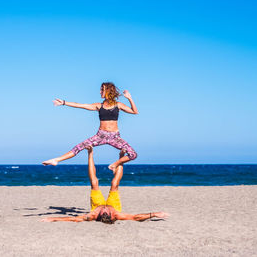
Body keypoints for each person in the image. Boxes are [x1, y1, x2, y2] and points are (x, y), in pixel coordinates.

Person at [40, 146, 169, 224]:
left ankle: (90, 154)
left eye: (104, 211)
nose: (105, 209)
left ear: (101, 215)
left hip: (96, 204)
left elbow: (73, 219)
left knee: (94, 182)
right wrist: (155, 214)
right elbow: (136, 217)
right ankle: (121, 157)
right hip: (115, 204)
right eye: (107, 211)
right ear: (112, 215)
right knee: (114, 184)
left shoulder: (93, 215)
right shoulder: (117, 214)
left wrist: (53, 219)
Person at [42, 82, 138, 172]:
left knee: (133, 154)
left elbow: (134, 111)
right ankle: (56, 160)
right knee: (79, 147)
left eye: (102, 90)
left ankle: (114, 165)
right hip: (101, 135)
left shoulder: (118, 105)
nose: (100, 92)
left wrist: (129, 98)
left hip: (115, 137)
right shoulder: (98, 106)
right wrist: (64, 102)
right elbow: (81, 105)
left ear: (108, 91)